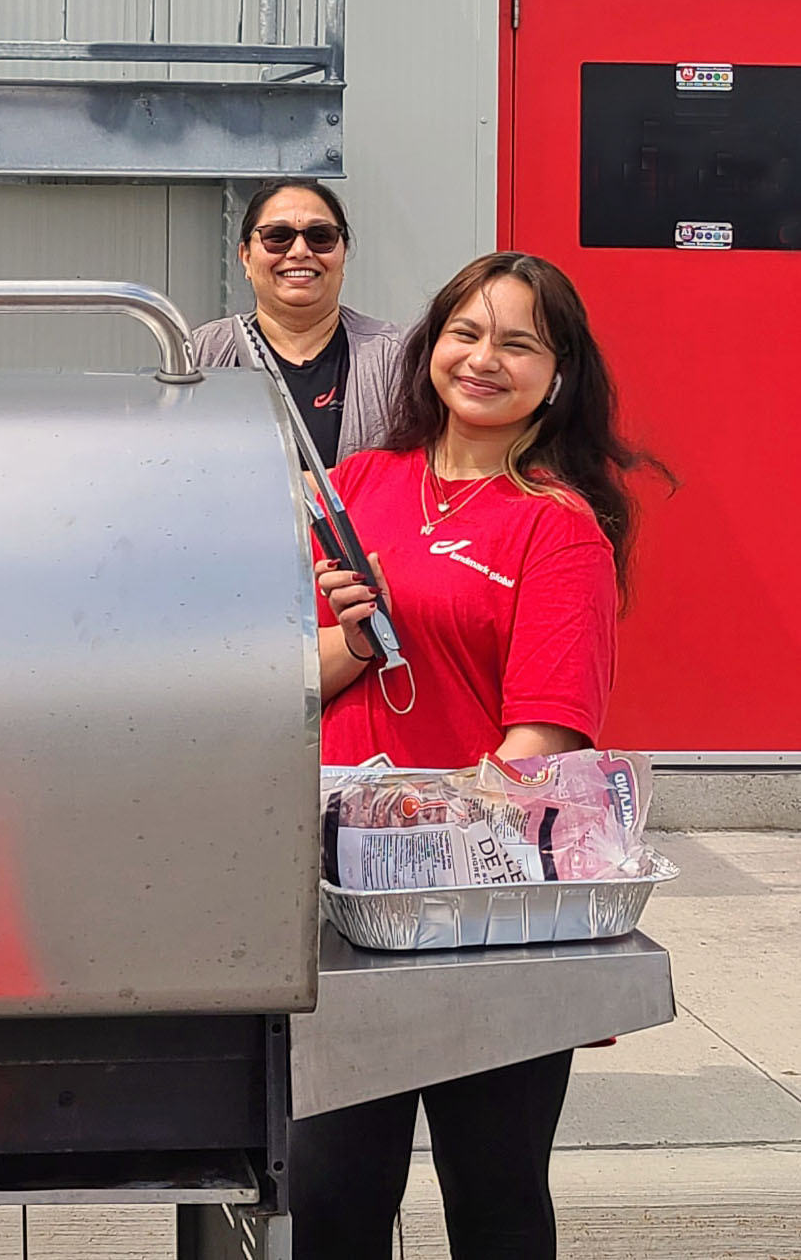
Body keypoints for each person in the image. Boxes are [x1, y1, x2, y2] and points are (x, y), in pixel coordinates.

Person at [301, 252, 668, 1258]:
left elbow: (542, 738)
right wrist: (359, 638)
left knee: (494, 1189)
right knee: (330, 1194)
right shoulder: (358, 484)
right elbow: (283, 676)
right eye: (467, 332)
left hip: (483, 908)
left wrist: (421, 842)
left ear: (560, 374)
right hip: (336, 899)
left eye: (518, 342)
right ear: (431, 349)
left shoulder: (558, 528)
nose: (484, 358)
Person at [191, 177, 403, 466]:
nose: (300, 251)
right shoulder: (204, 352)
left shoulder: (394, 357)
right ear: (245, 257)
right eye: (278, 236)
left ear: (342, 253)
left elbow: (418, 473)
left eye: (320, 236)